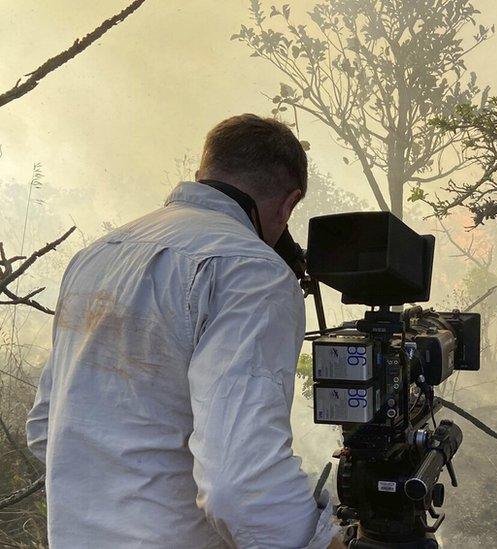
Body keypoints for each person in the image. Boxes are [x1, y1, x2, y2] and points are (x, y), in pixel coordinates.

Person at [26, 114, 342, 548]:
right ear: (289, 204)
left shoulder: (96, 255)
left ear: (202, 174)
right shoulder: (252, 270)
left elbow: (45, 428)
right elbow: (240, 484)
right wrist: (324, 540)